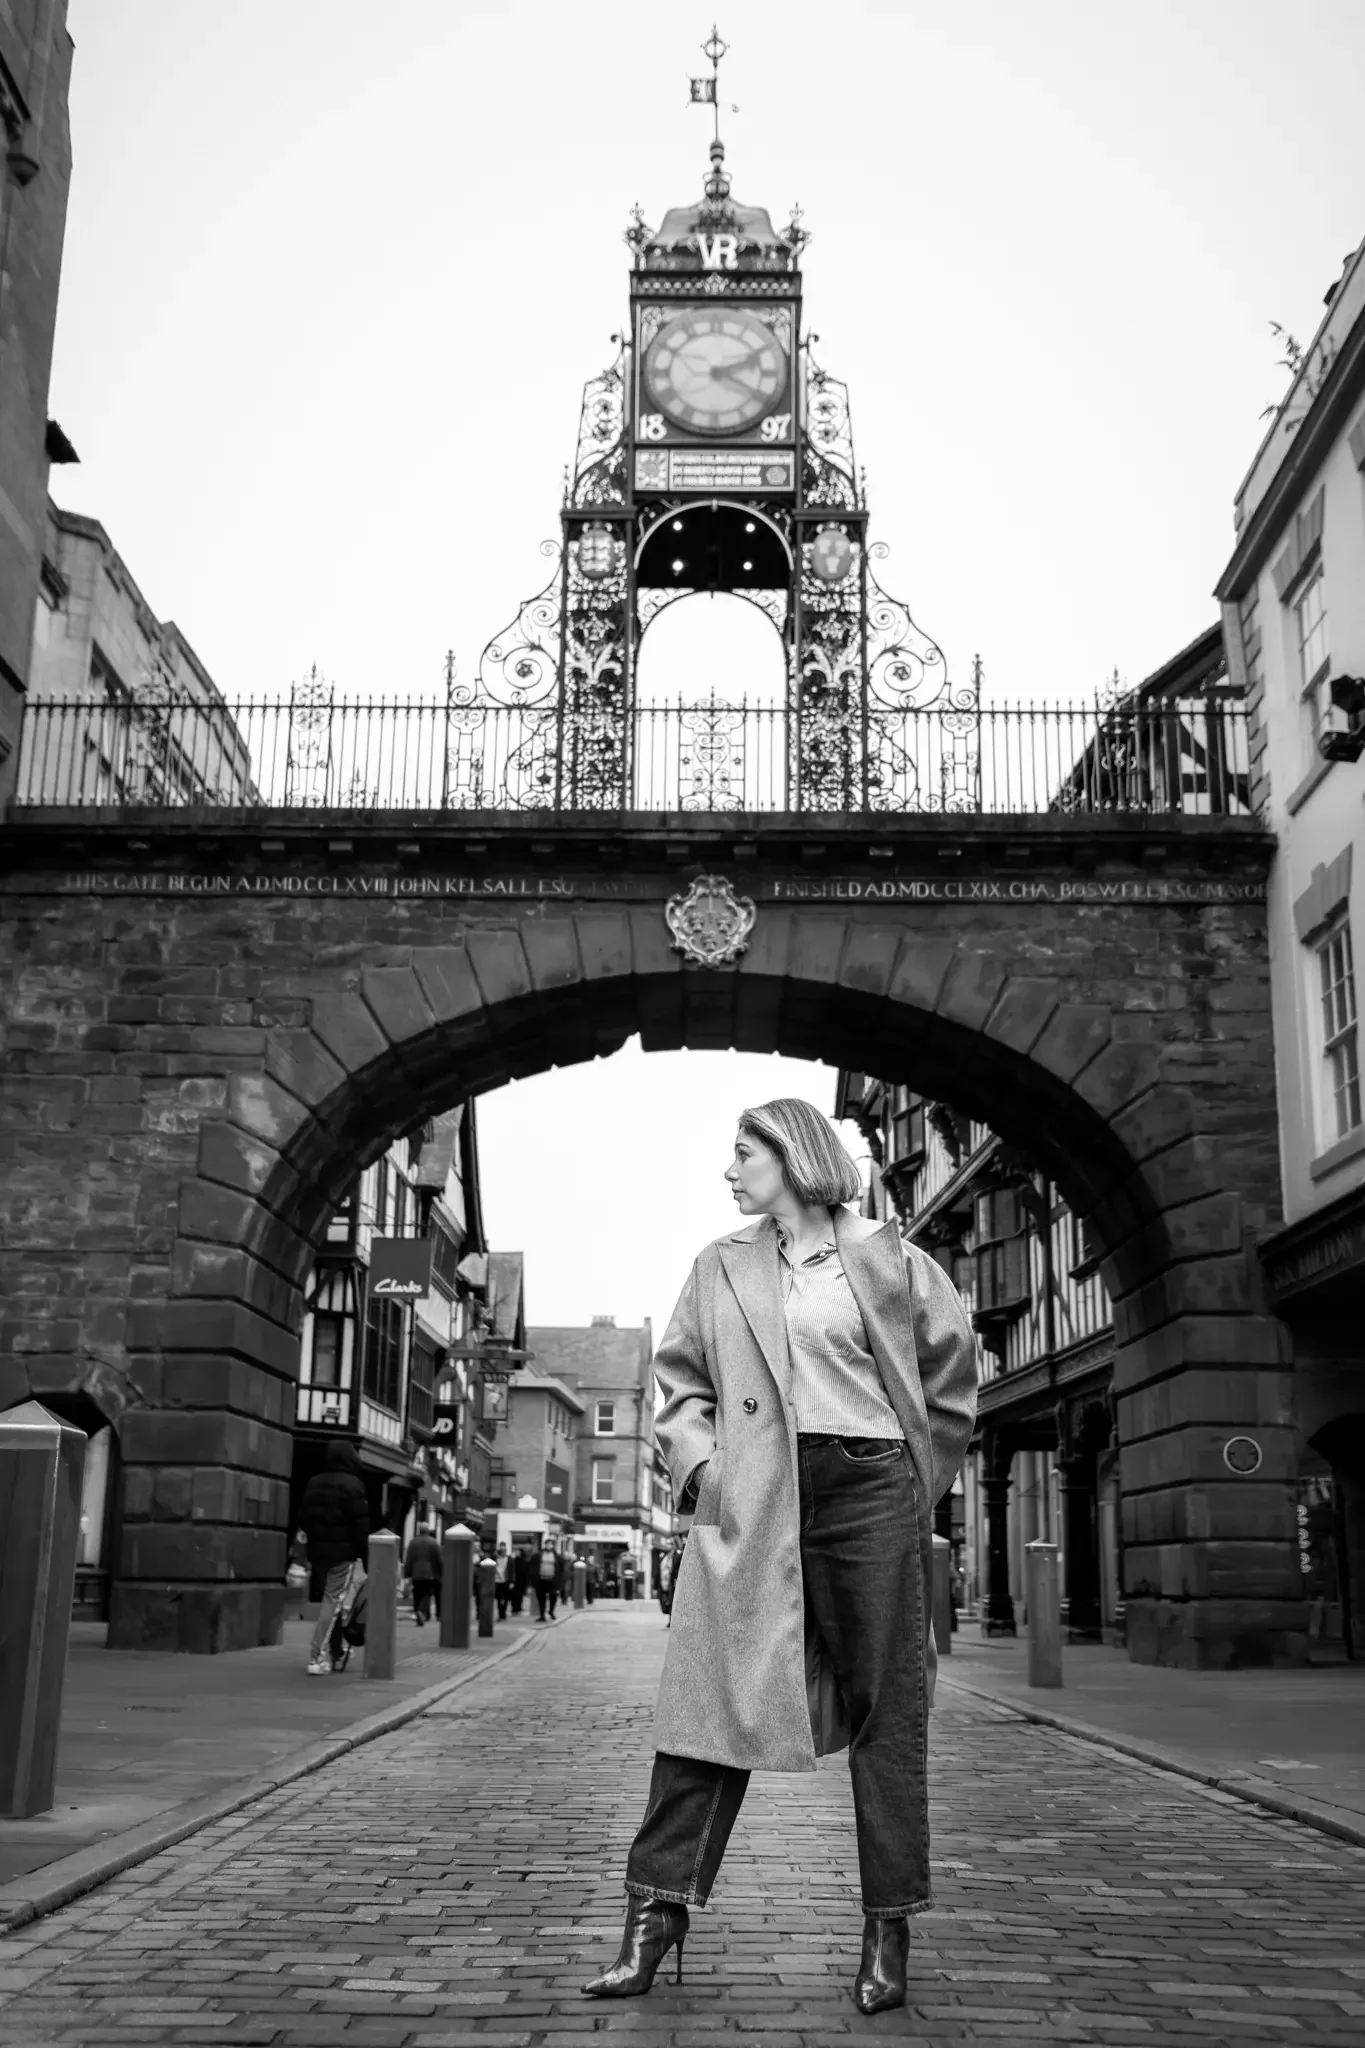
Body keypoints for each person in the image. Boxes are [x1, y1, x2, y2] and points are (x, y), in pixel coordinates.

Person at [582, 1099, 977, 2015]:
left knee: (890, 1709)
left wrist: (916, 1483)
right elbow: (680, 1383)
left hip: (869, 1484)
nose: (729, 1172)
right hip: (755, 1493)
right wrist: (709, 1479)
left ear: (792, 1156)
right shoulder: (718, 1265)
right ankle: (654, 1915)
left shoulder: (889, 1258)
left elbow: (952, 1378)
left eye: (743, 1153)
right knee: (711, 1694)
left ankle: (889, 1924)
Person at [297, 1442, 371, 1676]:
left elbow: (304, 1517)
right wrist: (365, 1556)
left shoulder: (314, 1482)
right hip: (343, 1554)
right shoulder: (353, 1485)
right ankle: (316, 1656)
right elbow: (360, 1524)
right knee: (334, 1602)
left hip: (319, 1552)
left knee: (333, 1602)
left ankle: (337, 1652)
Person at [404, 1522, 442, 1625]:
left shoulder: (413, 1542)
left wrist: (407, 1573)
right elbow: (439, 1559)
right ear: (428, 1531)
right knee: (426, 1594)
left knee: (417, 1593)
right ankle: (423, 1612)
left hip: (416, 1573)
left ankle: (418, 1612)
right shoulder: (433, 1542)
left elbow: (409, 1559)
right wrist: (441, 1573)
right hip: (429, 1573)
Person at [533, 1538, 560, 1621]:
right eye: (547, 1544)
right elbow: (533, 1567)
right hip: (541, 1580)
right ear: (545, 1545)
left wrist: (560, 1580)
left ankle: (551, 1611)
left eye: (550, 1544)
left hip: (552, 1580)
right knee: (541, 1598)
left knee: (553, 1596)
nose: (549, 1546)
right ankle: (542, 1615)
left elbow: (561, 1568)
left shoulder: (556, 1556)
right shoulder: (538, 1555)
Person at [493, 1542, 513, 1620]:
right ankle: (500, 1613)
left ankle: (503, 1612)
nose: (503, 1552)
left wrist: (512, 1582)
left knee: (505, 1598)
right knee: (498, 1598)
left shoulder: (509, 1559)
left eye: (504, 1550)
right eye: (501, 1550)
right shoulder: (496, 1558)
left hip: (506, 1580)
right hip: (497, 1581)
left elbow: (512, 1571)